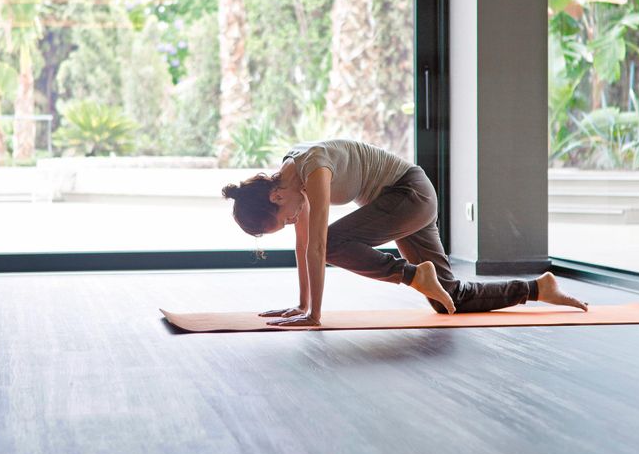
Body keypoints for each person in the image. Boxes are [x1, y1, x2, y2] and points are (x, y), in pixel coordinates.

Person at [221, 139, 588, 327]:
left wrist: (315, 315)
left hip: (408, 193)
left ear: (276, 196)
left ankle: (413, 275)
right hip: (405, 201)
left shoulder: (313, 170)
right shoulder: (292, 190)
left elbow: (319, 247)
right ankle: (539, 288)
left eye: (283, 219)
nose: (291, 221)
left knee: (332, 241)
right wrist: (302, 306)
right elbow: (304, 250)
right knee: (450, 299)